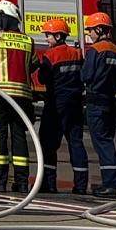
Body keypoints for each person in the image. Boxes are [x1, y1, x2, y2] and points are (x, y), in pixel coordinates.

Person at [30, 17, 89, 194]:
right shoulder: (77, 53)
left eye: (48, 35)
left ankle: (49, 184)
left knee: (48, 144)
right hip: (76, 103)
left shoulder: (50, 56)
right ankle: (80, 185)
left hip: (55, 104)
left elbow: (42, 79)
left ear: (57, 36)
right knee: (76, 142)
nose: (47, 39)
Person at [0, 1, 35, 193]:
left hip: (0, 94)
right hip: (23, 97)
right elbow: (34, 64)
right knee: (19, 137)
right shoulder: (28, 40)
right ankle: (22, 182)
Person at [81, 13, 116, 198]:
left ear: (100, 29)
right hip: (110, 101)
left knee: (102, 142)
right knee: (107, 140)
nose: (90, 35)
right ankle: (113, 182)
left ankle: (112, 184)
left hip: (95, 101)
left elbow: (85, 76)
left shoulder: (96, 50)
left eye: (92, 31)